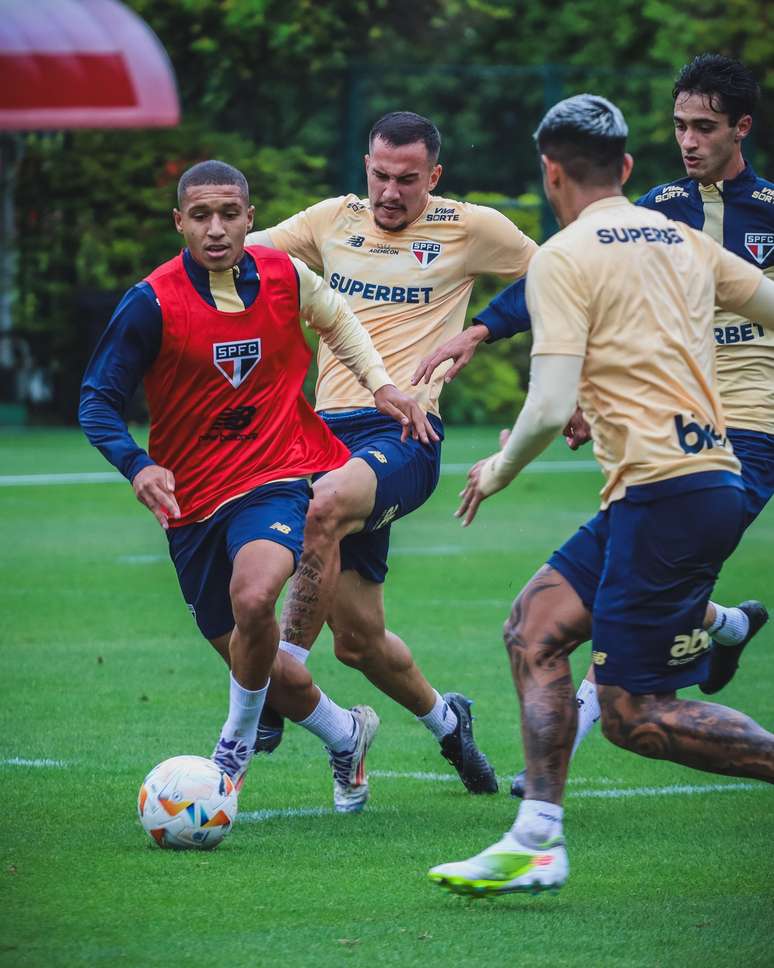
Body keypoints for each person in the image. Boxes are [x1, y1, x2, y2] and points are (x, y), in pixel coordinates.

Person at [428, 94, 774, 896]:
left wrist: (497, 469)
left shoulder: (563, 256)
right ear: (625, 167)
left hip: (673, 495)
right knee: (535, 628)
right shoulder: (683, 238)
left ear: (551, 175)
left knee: (633, 715)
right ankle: (538, 838)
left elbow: (549, 407)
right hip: (675, 489)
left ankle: (541, 836)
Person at [79, 159, 435, 813]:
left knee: (255, 596)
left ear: (250, 217)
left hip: (276, 475)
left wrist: (381, 384)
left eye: (230, 214)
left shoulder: (283, 275)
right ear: (180, 222)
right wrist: (139, 465)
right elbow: (97, 399)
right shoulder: (152, 302)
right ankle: (347, 734)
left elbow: (339, 320)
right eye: (201, 216)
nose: (216, 229)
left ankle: (232, 751)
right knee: (273, 675)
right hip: (191, 504)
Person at [244, 111, 538, 794]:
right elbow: (238, 256)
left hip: (405, 433)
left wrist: (489, 331)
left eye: (407, 179)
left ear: (433, 177)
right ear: (366, 166)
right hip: (325, 438)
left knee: (321, 506)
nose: (390, 192)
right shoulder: (330, 220)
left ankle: (276, 683)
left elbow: (559, 278)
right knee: (358, 644)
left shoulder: (472, 227)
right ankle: (449, 724)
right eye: (380, 175)